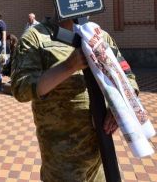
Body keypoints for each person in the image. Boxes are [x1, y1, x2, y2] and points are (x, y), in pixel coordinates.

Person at [11, 18, 138, 181]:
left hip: (101, 157)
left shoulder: (99, 36)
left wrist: (119, 108)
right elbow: (21, 89)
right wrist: (68, 66)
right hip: (62, 159)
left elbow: (128, 77)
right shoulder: (36, 37)